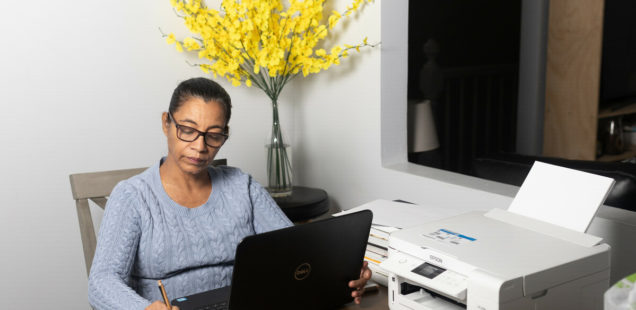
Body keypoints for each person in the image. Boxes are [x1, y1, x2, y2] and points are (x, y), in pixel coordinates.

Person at [87, 77, 372, 310]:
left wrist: (342, 271)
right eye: (188, 130)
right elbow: (102, 282)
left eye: (213, 135)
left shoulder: (241, 186)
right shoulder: (132, 197)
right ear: (166, 123)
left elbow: (295, 252)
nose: (199, 147)